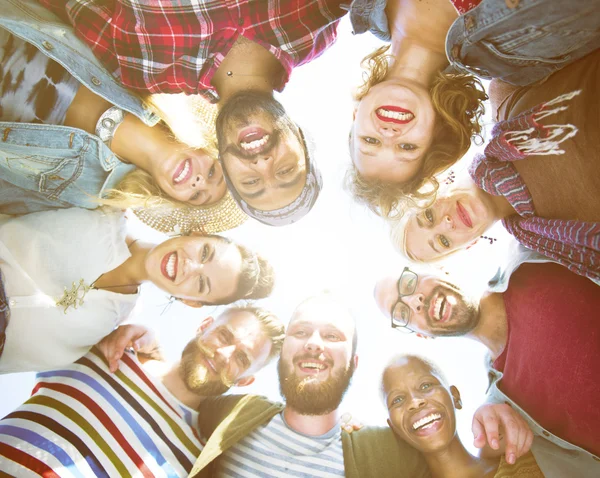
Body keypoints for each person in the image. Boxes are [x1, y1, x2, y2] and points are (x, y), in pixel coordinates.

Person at [36, 0, 350, 225]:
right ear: (300, 140)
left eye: (251, 182)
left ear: (225, 164)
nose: (262, 164)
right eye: (285, 171)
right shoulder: (317, 21)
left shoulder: (139, 67)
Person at [0, 1, 242, 234]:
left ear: (173, 199)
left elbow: (8, 192)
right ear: (206, 142)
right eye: (212, 172)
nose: (199, 182)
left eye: (196, 196)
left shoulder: (90, 192)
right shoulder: (153, 76)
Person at [347, 0, 600, 218]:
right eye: (407, 148)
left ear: (356, 115)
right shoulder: (517, 61)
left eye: (370, 141)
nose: (389, 134)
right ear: (435, 133)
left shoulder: (364, 9)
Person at [374, 262, 600, 477]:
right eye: (401, 314)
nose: (415, 301)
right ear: (423, 335)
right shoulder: (507, 408)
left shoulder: (532, 260)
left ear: (440, 268)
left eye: (408, 283)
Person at [0, 307, 285, 476]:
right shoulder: (111, 348)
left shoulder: (195, 462)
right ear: (204, 326)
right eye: (224, 336)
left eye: (242, 359)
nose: (224, 354)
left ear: (245, 381)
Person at [0, 207, 274, 373]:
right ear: (196, 232)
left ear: (191, 302)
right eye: (204, 252)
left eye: (201, 284)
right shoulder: (101, 209)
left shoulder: (113, 323)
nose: (189, 266)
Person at [382, 354, 542, 477]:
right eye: (398, 400)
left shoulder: (522, 457)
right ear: (394, 428)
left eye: (426, 385)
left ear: (455, 397)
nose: (415, 402)